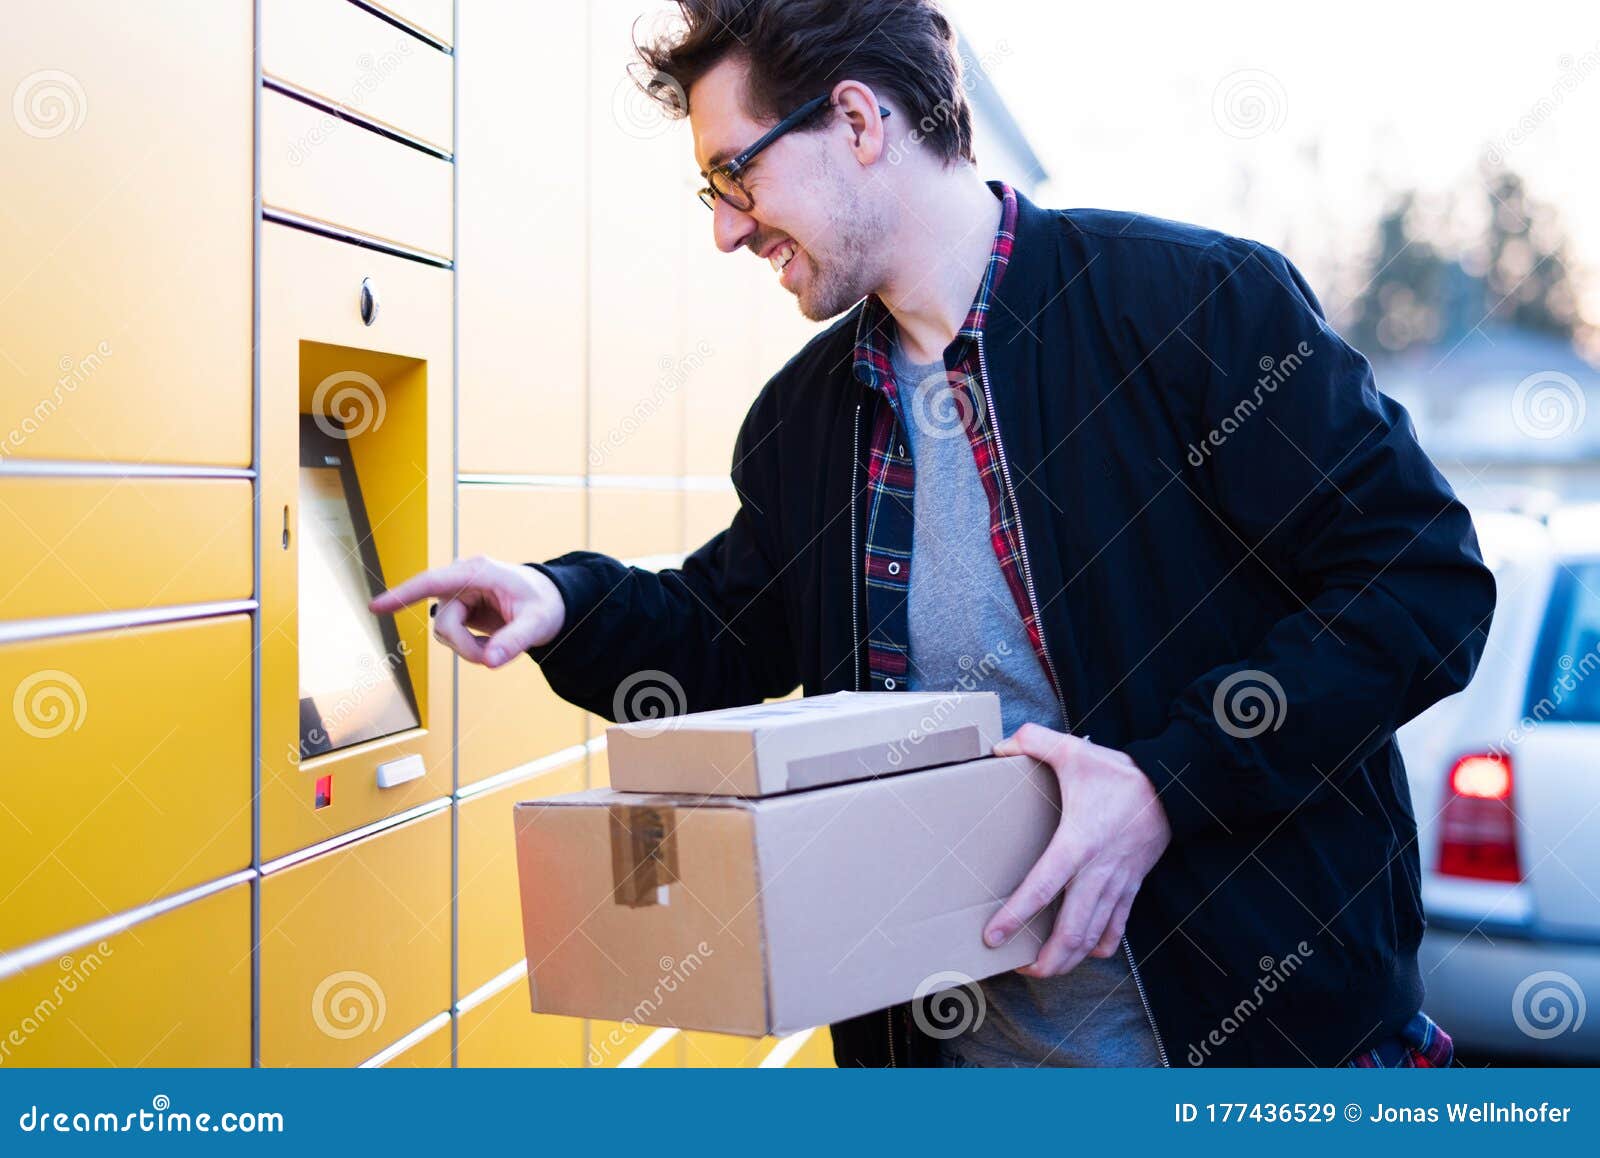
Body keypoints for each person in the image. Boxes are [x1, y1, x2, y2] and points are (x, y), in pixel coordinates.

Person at [373, 0, 1494, 1067]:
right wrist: (564, 602)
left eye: (733, 173)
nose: (723, 229)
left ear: (857, 121)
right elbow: (725, 634)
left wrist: (1168, 780)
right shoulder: (804, 419)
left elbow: (1421, 588)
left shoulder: (1195, 308)